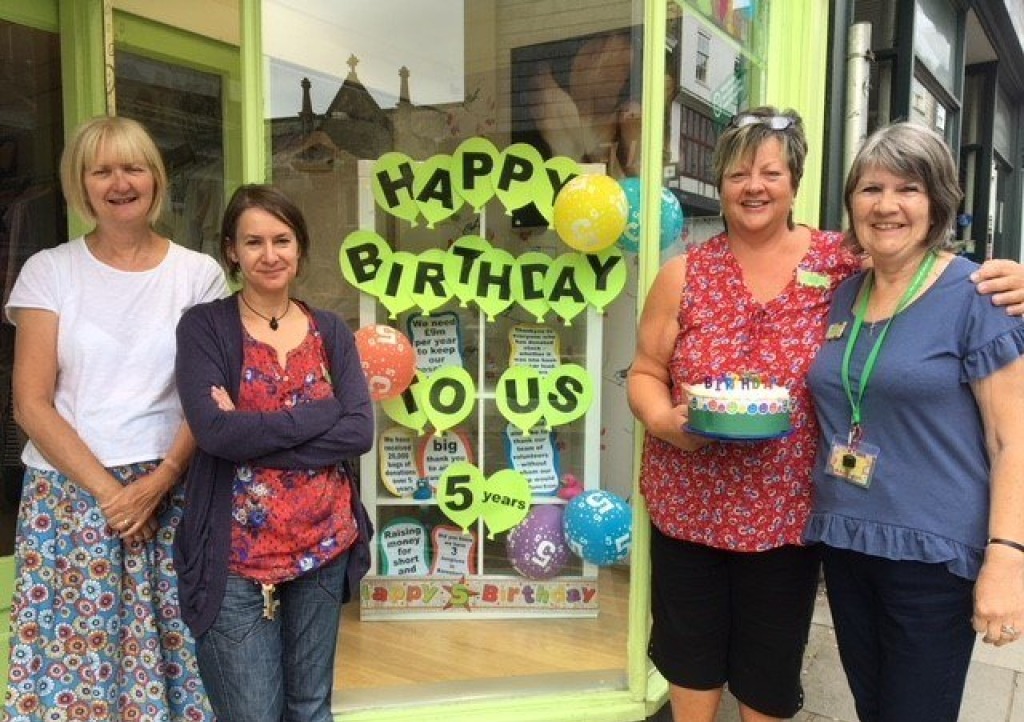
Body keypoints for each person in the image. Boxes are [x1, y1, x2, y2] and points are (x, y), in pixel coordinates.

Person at [627, 106, 1024, 722]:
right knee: (697, 662)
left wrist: (1015, 281)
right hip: (713, 510)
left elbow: (930, 278)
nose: (753, 186)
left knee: (773, 677)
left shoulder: (842, 262)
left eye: (770, 172)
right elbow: (647, 371)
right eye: (737, 173)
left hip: (796, 518)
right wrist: (669, 425)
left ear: (795, 182)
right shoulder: (690, 273)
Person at [3, 116, 226, 721]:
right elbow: (31, 404)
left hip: (170, 491)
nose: (120, 182)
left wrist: (159, 480)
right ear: (81, 184)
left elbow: (206, 395)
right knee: (75, 671)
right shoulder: (49, 271)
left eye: (133, 167)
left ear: (155, 179)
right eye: (102, 170)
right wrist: (112, 495)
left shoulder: (198, 273)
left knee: (179, 664)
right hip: (71, 495)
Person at [803, 122, 1024, 722]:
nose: (888, 205)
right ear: (851, 203)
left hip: (933, 556)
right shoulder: (841, 296)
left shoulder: (978, 294)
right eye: (871, 188)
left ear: (938, 203)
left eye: (909, 188)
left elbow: (1013, 441)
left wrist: (1007, 558)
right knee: (875, 708)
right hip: (848, 541)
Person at [174, 184, 374, 722]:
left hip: (323, 547)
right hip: (236, 559)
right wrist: (318, 414)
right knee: (253, 714)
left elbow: (358, 433)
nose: (270, 254)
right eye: (253, 241)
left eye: (282, 240)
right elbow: (214, 434)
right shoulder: (204, 329)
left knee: (310, 708)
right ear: (231, 251)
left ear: (299, 248)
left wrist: (250, 431)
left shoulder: (329, 330)